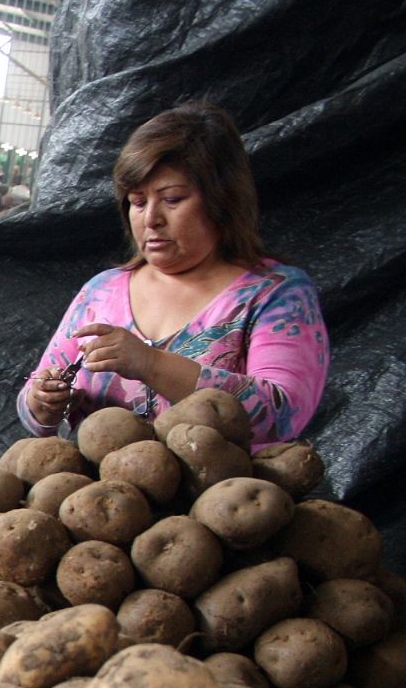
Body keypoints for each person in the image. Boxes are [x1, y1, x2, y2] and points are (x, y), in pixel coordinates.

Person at [19, 102, 328, 450]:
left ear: (222, 202)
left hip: (222, 498)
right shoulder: (101, 292)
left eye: (172, 199)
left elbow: (283, 413)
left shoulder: (275, 293)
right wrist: (43, 403)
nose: (151, 219)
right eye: (137, 202)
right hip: (97, 494)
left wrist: (151, 364)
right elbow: (36, 403)